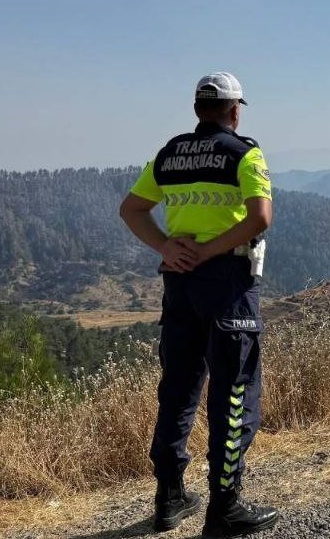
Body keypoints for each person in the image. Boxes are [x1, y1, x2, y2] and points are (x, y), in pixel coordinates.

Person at [118, 71, 278, 537]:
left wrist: (167, 247)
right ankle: (224, 506)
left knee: (179, 388)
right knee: (233, 393)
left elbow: (131, 209)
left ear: (196, 110)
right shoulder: (245, 152)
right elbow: (260, 217)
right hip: (227, 282)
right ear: (234, 110)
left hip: (180, 283)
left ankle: (169, 498)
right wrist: (210, 251)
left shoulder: (170, 153)